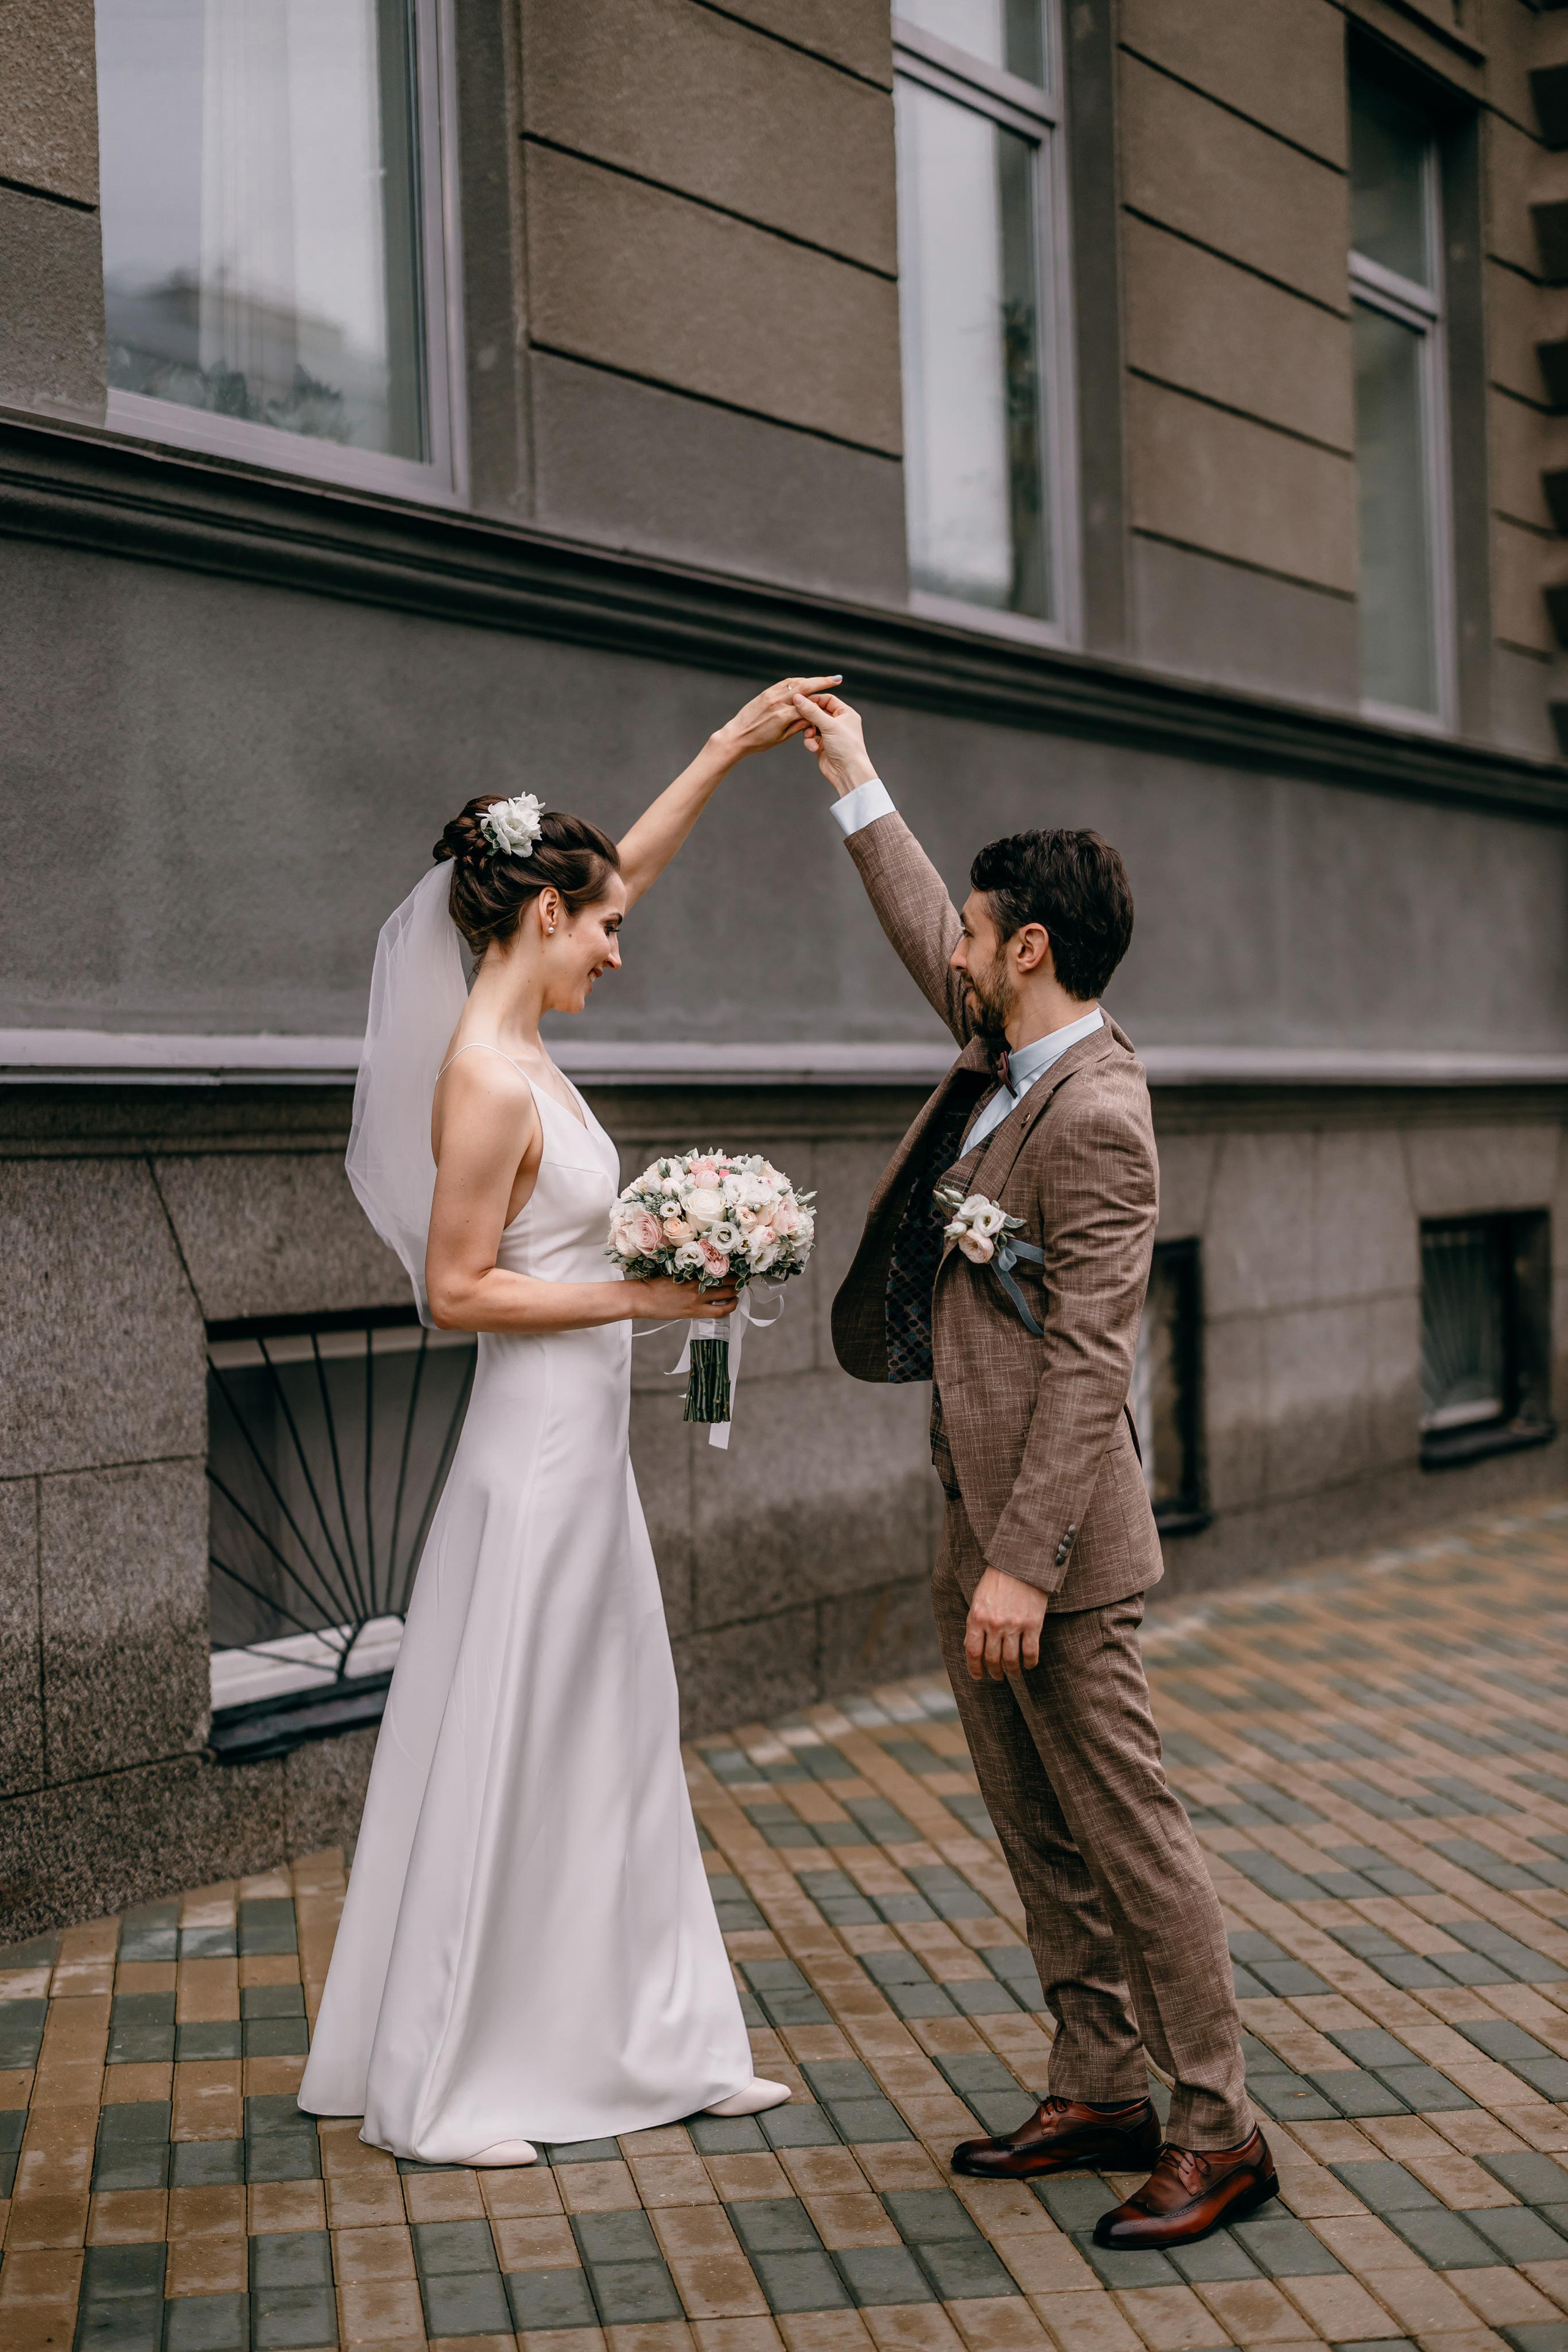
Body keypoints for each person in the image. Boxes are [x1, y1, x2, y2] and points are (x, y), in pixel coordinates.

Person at [297, 677, 840, 2166]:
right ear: (541, 917)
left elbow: (632, 864)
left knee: (611, 1736)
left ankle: (663, 2038)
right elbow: (458, 1293)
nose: (620, 939)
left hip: (583, 1455)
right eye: (601, 924)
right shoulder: (483, 1080)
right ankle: (457, 2080)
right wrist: (648, 1305)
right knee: (519, 1741)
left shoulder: (528, 1038)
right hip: (529, 1461)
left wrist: (732, 745)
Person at [791, 688, 1275, 2251]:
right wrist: (855, 779)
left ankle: (1219, 2133)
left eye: (980, 930)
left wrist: (1022, 1560)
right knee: (1033, 1829)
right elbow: (923, 918)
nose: (958, 946)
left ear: (1032, 950)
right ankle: (1097, 2085)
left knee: (1130, 1843)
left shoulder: (1097, 1114)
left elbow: (1089, 1363)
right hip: (966, 1514)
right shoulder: (1003, 1044)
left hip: (1051, 1552)